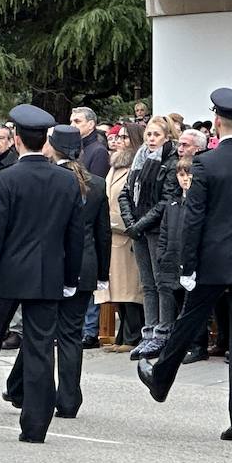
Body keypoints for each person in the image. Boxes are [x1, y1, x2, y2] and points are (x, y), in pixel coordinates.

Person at [136, 89, 232, 442]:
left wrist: (188, 264)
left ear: (217, 121)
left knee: (189, 322)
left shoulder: (207, 163)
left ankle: (161, 379)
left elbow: (195, 217)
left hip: (212, 259)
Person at [0, 104, 84, 442]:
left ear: (18, 140)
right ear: (44, 141)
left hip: (8, 274)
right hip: (47, 274)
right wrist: (70, 278)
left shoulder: (7, 180)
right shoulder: (66, 182)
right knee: (39, 348)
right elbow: (74, 235)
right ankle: (35, 425)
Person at [2, 125, 109, 418]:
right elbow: (102, 234)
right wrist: (102, 272)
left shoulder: (51, 179)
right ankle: (68, 399)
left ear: (52, 147)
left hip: (51, 264)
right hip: (84, 266)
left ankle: (28, 390)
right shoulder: (96, 183)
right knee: (70, 335)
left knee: (41, 332)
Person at [120, 117, 180, 353]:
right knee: (147, 284)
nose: (151, 139)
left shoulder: (170, 162)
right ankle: (149, 330)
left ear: (166, 137)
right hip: (139, 229)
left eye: (156, 135)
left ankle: (163, 332)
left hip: (157, 229)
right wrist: (131, 222)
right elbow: (125, 192)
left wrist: (141, 224)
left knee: (162, 282)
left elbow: (165, 201)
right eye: (149, 134)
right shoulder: (140, 159)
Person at [98, 124, 144, 351]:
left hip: (124, 233)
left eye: (125, 137)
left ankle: (132, 336)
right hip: (111, 233)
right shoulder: (115, 165)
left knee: (130, 290)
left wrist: (118, 222)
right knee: (117, 290)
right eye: (118, 137)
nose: (120, 141)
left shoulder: (136, 166)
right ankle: (122, 335)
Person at [70, 107, 110, 179]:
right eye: (71, 122)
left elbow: (96, 185)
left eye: (77, 121)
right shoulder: (75, 147)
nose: (72, 125)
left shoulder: (99, 151)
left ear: (91, 124)